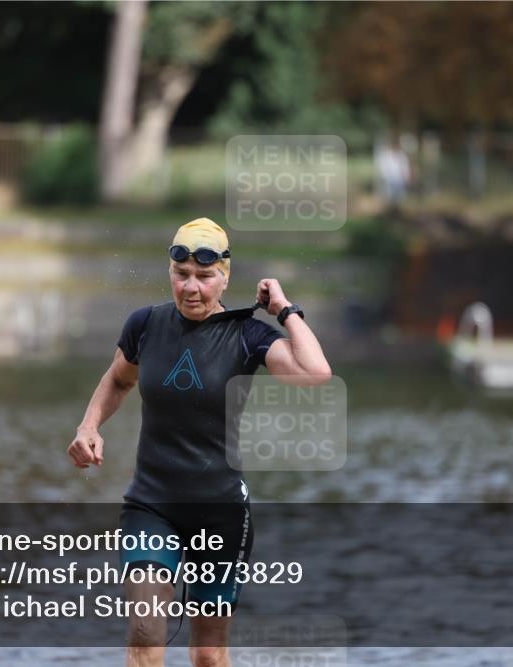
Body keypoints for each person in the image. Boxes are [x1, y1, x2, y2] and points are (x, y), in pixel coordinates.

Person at [67, 218, 331, 667]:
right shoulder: (146, 324)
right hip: (153, 503)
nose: (192, 287)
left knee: (207, 655)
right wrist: (89, 426)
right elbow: (118, 378)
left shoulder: (247, 334)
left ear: (224, 277)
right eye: (181, 274)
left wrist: (285, 309)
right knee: (145, 629)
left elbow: (315, 373)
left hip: (220, 511)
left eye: (205, 277)